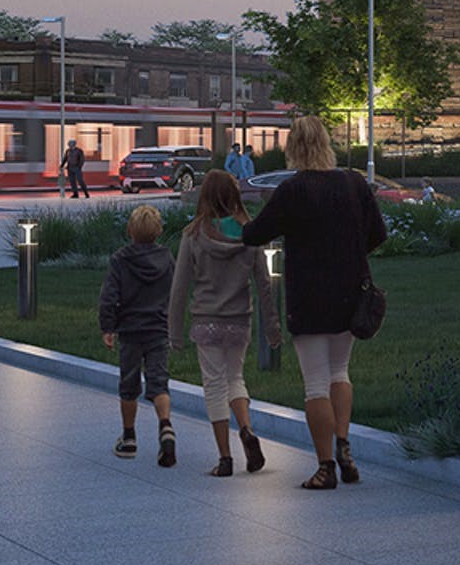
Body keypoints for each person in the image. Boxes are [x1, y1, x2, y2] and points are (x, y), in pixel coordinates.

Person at [242, 114, 386, 491]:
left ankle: (325, 467)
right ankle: (344, 445)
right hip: (351, 294)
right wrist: (352, 255)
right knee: (341, 372)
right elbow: (378, 233)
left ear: (293, 148)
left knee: (315, 384)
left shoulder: (294, 190)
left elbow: (256, 233)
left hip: (310, 297)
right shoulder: (354, 183)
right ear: (326, 143)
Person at [167, 169, 274, 477]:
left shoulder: (193, 235)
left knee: (214, 386)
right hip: (239, 320)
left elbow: (179, 287)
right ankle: (247, 430)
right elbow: (264, 282)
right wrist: (273, 326)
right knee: (235, 378)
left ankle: (225, 459)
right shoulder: (249, 233)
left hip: (206, 320)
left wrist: (174, 334)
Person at [99, 205, 177, 466]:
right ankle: (165, 426)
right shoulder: (167, 258)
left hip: (130, 331)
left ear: (129, 230)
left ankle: (129, 437)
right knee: (159, 381)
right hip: (158, 328)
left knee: (129, 384)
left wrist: (107, 327)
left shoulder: (121, 259)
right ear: (159, 231)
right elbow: (174, 293)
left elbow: (109, 296)